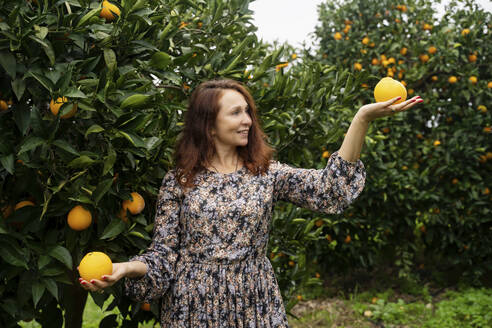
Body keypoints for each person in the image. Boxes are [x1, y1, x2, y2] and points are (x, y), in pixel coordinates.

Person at [79, 79, 423, 326]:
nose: (247, 120)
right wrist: (126, 268)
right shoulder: (180, 181)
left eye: (248, 112)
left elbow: (330, 190)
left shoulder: (266, 173)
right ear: (208, 125)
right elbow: (164, 256)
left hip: (254, 301)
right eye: (235, 113)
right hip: (193, 307)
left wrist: (361, 119)